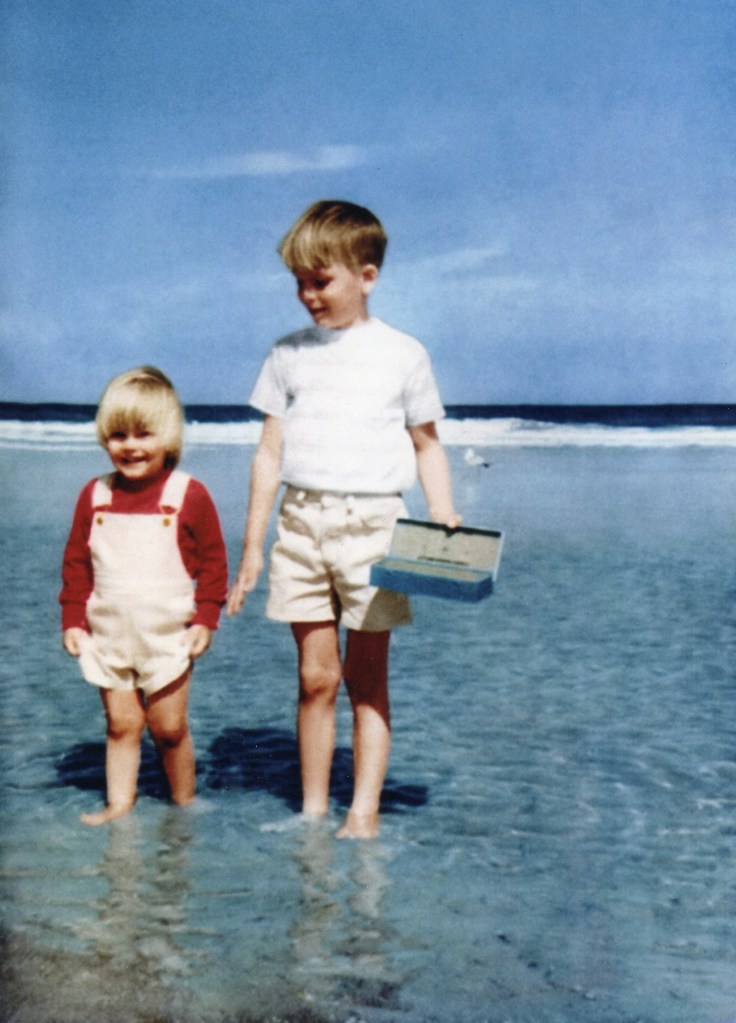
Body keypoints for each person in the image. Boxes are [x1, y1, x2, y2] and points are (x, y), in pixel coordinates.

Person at [227, 200, 461, 839]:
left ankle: (362, 811)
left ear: (367, 276)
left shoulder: (403, 353)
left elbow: (427, 444)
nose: (307, 295)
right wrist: (253, 546)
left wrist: (442, 510)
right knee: (315, 676)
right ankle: (311, 810)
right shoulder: (287, 355)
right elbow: (269, 454)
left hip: (376, 527)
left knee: (366, 677)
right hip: (300, 525)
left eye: (320, 280)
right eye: (299, 282)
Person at [60, 366, 228, 826]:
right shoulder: (95, 496)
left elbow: (213, 564)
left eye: (143, 434)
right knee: (122, 725)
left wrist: (206, 618)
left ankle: (184, 804)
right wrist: (72, 619)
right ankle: (119, 805)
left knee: (168, 728)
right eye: (118, 435)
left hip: (167, 635)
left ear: (168, 436)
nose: (130, 446)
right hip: (108, 634)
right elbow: (76, 564)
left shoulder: (187, 494)